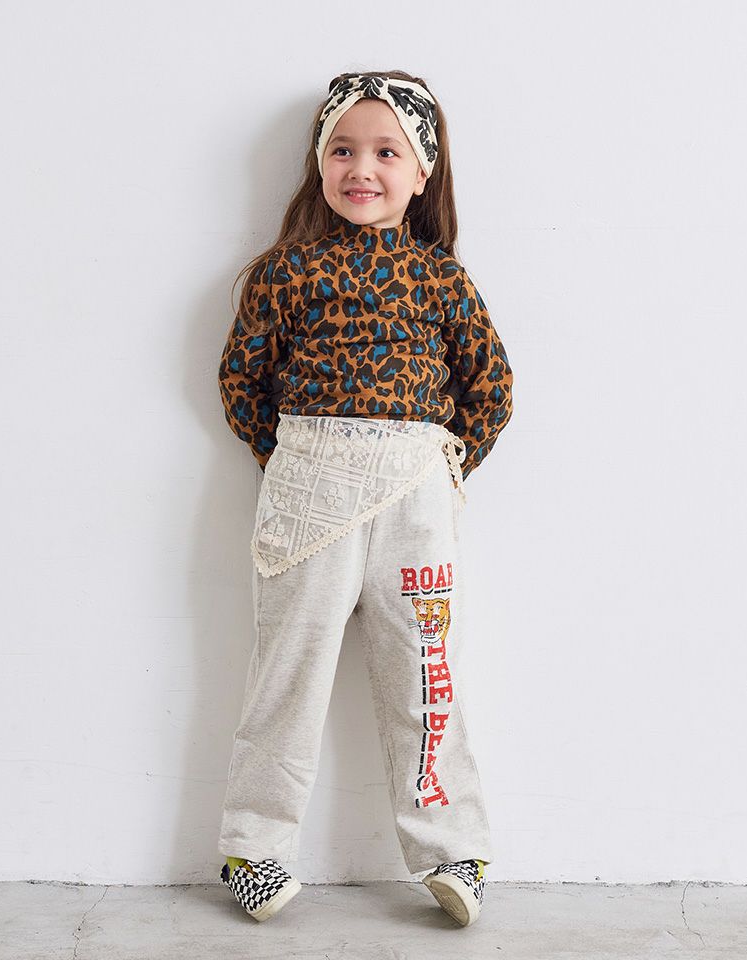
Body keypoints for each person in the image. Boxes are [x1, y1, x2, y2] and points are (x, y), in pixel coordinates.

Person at [216, 70, 514, 928]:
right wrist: (298, 460)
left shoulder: (441, 280)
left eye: (388, 152)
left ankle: (453, 848)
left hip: (417, 498)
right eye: (343, 150)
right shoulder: (285, 273)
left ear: (422, 173)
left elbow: (490, 388)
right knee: (289, 672)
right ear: (320, 164)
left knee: (426, 673)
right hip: (308, 493)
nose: (363, 169)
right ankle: (253, 848)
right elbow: (243, 383)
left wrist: (435, 469)